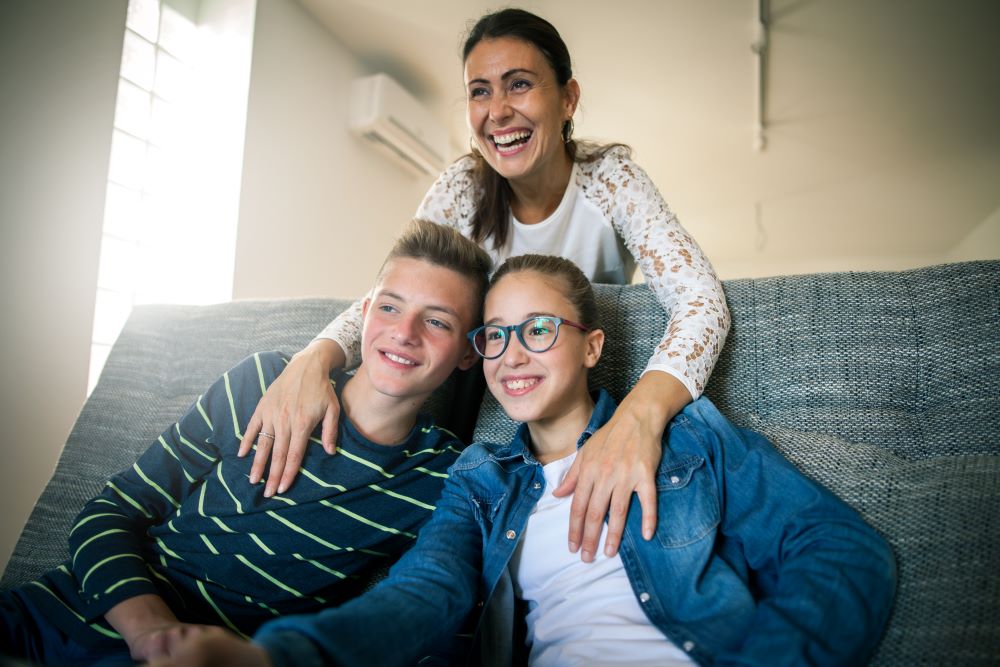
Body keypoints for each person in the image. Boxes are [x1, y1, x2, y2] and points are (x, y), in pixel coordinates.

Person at [153, 254, 896, 667]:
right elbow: (427, 590)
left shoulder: (689, 438)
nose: (512, 355)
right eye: (496, 336)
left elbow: (840, 550)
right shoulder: (479, 480)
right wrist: (279, 659)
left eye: (538, 329)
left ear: (592, 346)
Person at [241, 7, 732, 566]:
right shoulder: (463, 186)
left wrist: (638, 418)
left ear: (568, 98)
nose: (498, 111)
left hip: (565, 389)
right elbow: (395, 294)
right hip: (467, 386)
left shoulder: (611, 179)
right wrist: (313, 358)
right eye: (480, 91)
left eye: (519, 84)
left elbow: (702, 300)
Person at [0, 220, 491, 665]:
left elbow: (438, 614)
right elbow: (112, 509)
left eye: (436, 321)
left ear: (470, 353)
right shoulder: (261, 382)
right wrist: (150, 631)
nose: (404, 332)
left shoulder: (442, 478)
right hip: (57, 612)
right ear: (363, 315)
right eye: (389, 307)